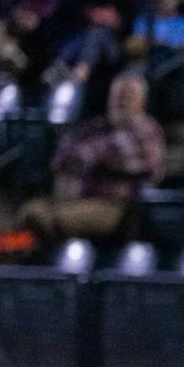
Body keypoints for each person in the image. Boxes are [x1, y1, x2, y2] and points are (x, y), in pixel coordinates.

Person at [16, 71, 165, 244]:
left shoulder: (147, 130)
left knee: (58, 221)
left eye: (128, 94)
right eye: (117, 94)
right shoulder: (95, 126)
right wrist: (91, 156)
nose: (121, 100)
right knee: (30, 212)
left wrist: (90, 155)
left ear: (141, 101)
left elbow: (127, 161)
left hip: (114, 206)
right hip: (72, 199)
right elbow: (60, 159)